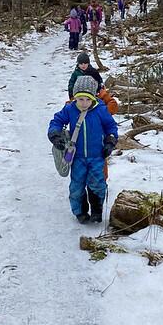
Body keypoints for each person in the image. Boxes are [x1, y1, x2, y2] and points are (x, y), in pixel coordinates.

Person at [48, 75, 118, 223]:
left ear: (93, 97)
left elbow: (111, 127)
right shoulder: (70, 109)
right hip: (77, 157)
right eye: (80, 99)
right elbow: (57, 121)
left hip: (97, 155)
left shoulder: (101, 110)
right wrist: (55, 134)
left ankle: (97, 210)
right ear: (75, 98)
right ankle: (80, 211)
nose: (84, 103)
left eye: (88, 99)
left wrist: (110, 141)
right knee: (77, 186)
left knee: (98, 184)